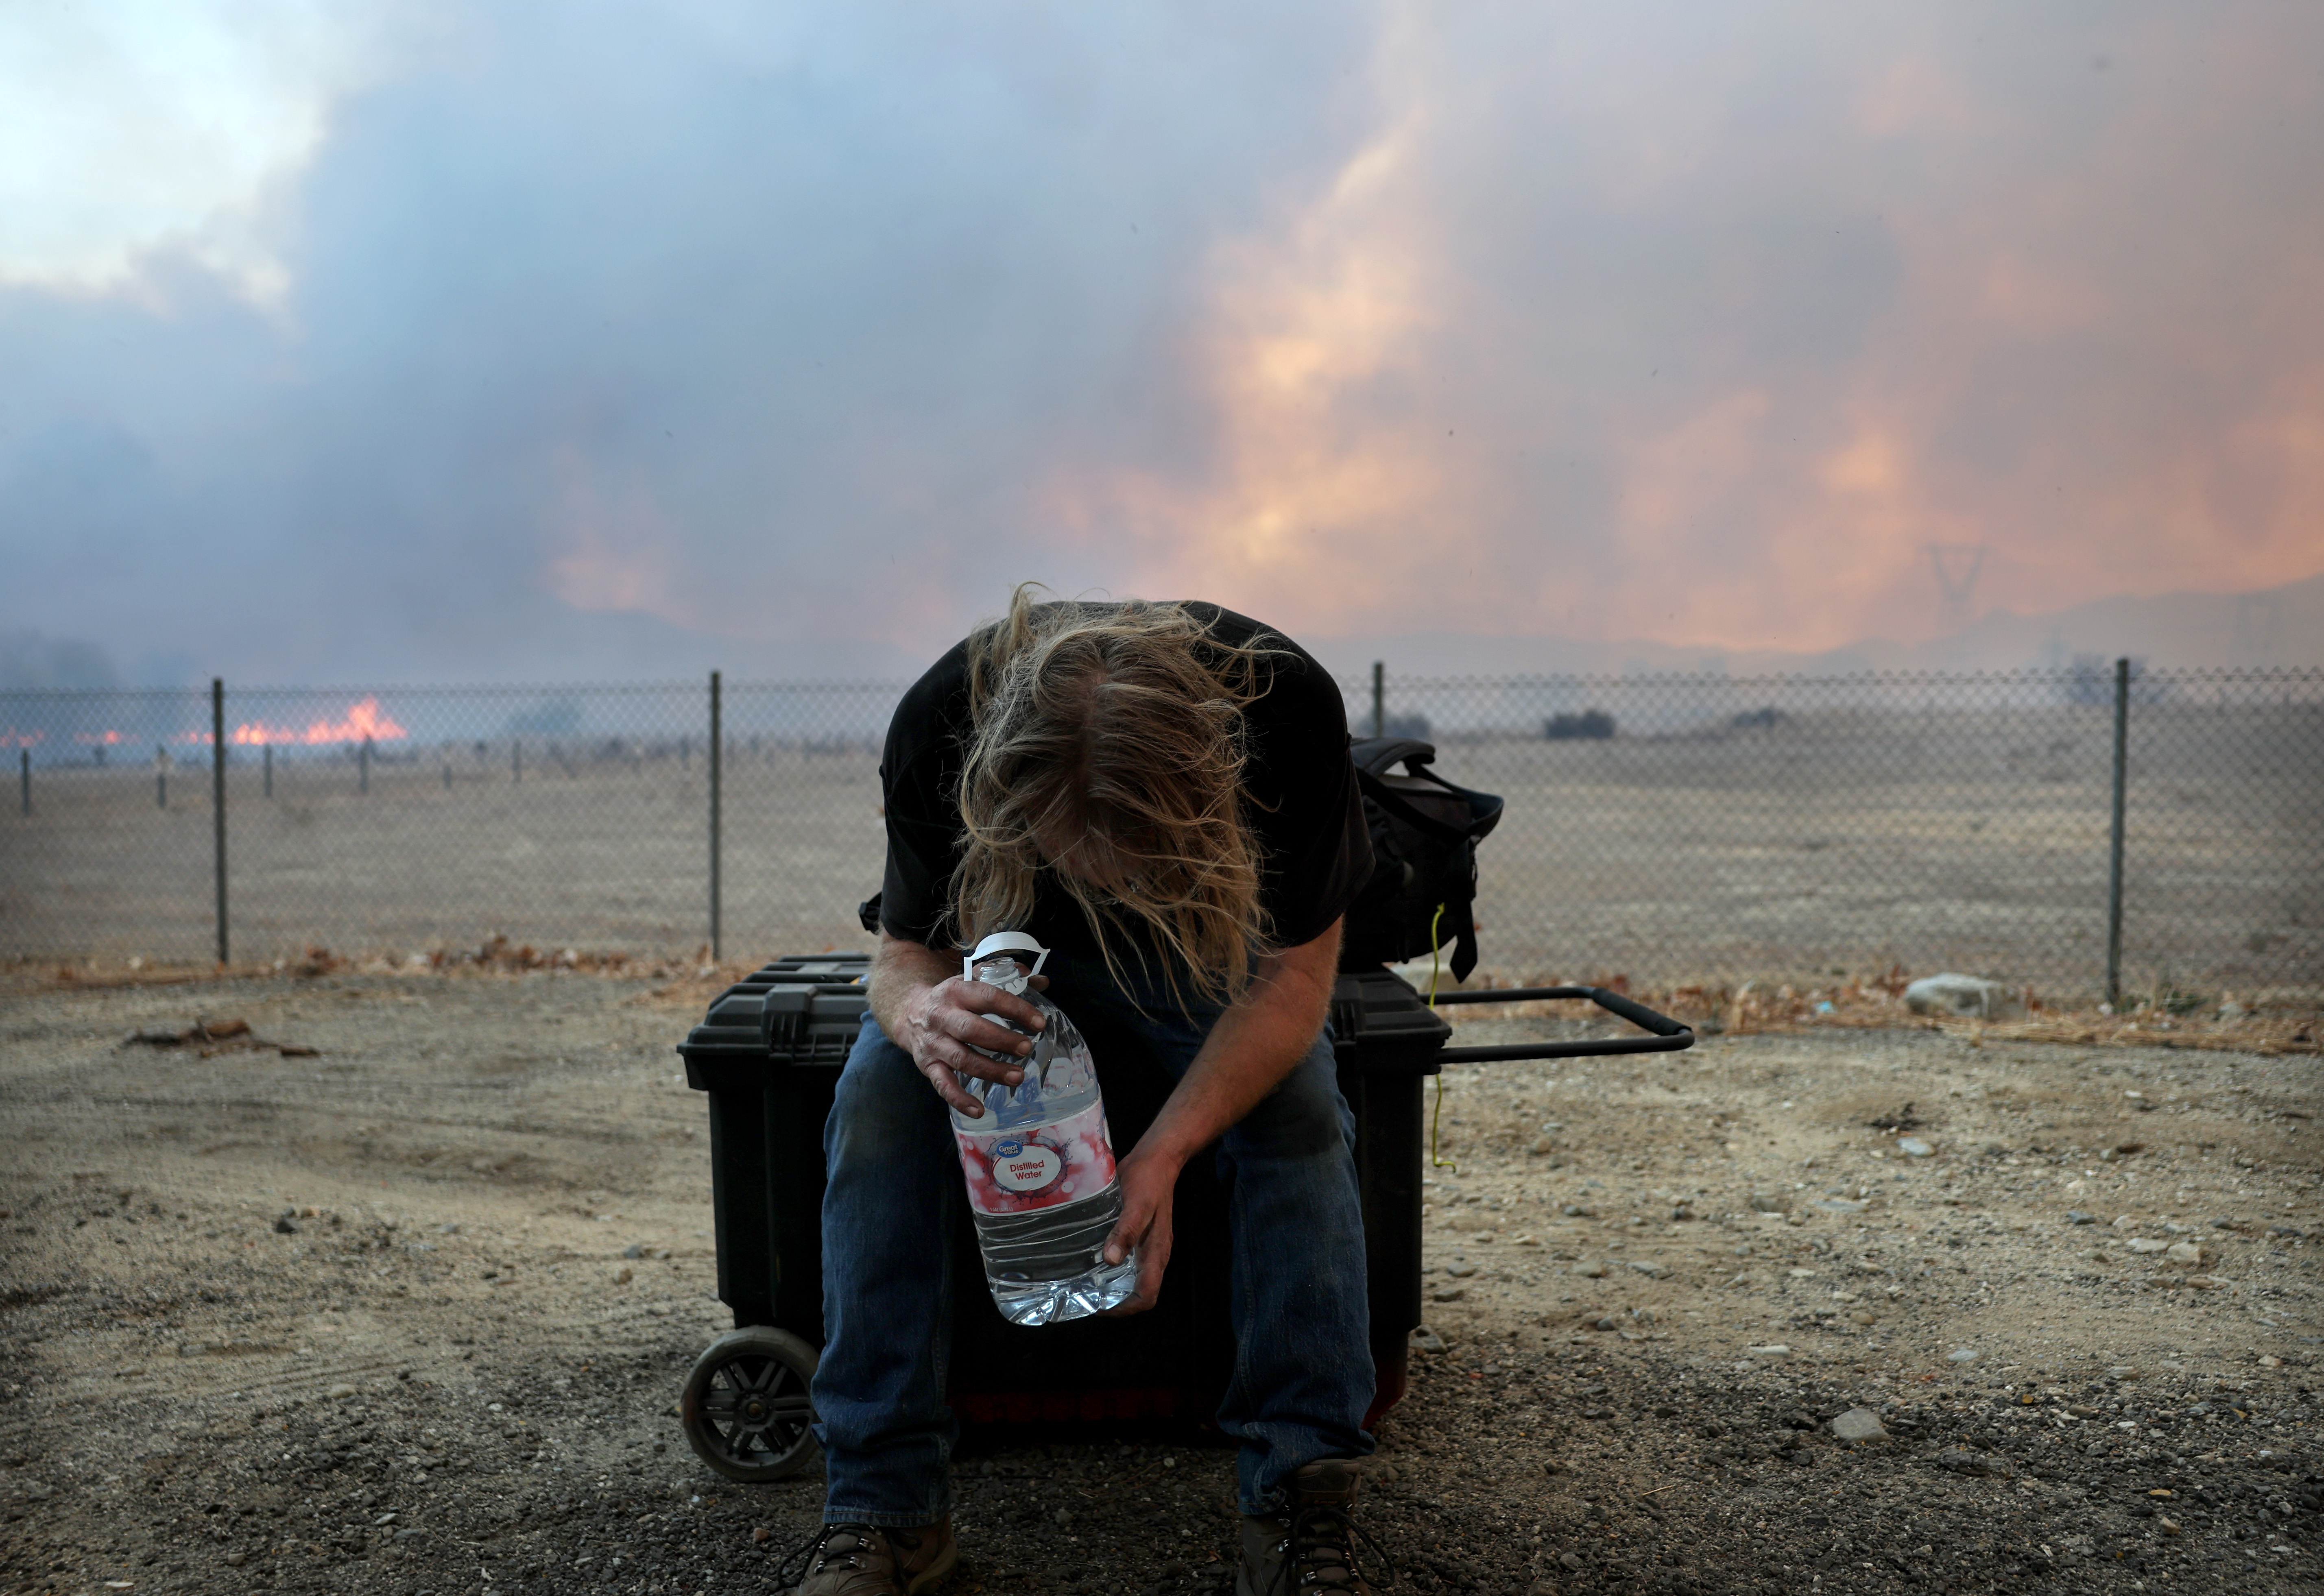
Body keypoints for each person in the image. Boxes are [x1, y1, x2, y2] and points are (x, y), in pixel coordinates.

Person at [791, 589, 1387, 1596]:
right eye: (1083, 856)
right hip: (1014, 967)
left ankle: (1298, 1497)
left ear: (1211, 790)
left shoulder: (1287, 711)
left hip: (1214, 958)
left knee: (1294, 1109)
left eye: (1134, 863)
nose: (1110, 891)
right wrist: (921, 1019)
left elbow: (1292, 981)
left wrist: (1160, 1154)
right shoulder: (943, 721)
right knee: (882, 1100)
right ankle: (882, 1511)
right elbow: (901, 960)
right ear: (1005, 791)